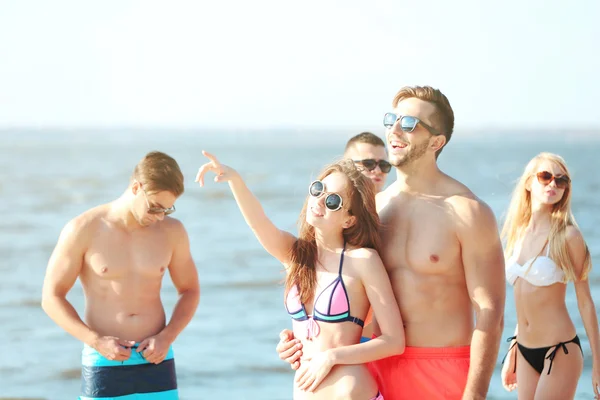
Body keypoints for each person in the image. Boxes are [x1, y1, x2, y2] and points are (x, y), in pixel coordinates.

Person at [276, 85, 506, 400]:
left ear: (436, 141)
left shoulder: (468, 212)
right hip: (375, 368)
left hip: (442, 370)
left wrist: (475, 394)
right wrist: (300, 339)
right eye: (391, 120)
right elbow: (341, 284)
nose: (394, 130)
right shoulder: (374, 211)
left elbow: (490, 313)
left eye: (409, 124)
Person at [196, 152, 405, 399]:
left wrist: (331, 356)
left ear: (349, 219)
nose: (319, 200)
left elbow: (393, 341)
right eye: (318, 189)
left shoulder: (363, 261)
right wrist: (235, 180)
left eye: (333, 201)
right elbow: (258, 223)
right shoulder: (295, 256)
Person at [41, 151, 200, 400]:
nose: (159, 217)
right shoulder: (84, 229)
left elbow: (190, 290)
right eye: (155, 208)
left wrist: (167, 336)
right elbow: (51, 297)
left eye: (167, 210)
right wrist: (96, 341)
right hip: (104, 360)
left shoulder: (173, 232)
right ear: (136, 187)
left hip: (157, 358)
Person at [500, 152, 599, 400]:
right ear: (528, 183)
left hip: (559, 350)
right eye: (545, 177)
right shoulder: (517, 233)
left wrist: (597, 364)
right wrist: (513, 347)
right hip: (524, 350)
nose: (553, 184)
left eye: (561, 180)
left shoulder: (568, 236)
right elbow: (525, 297)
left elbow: (585, 302)